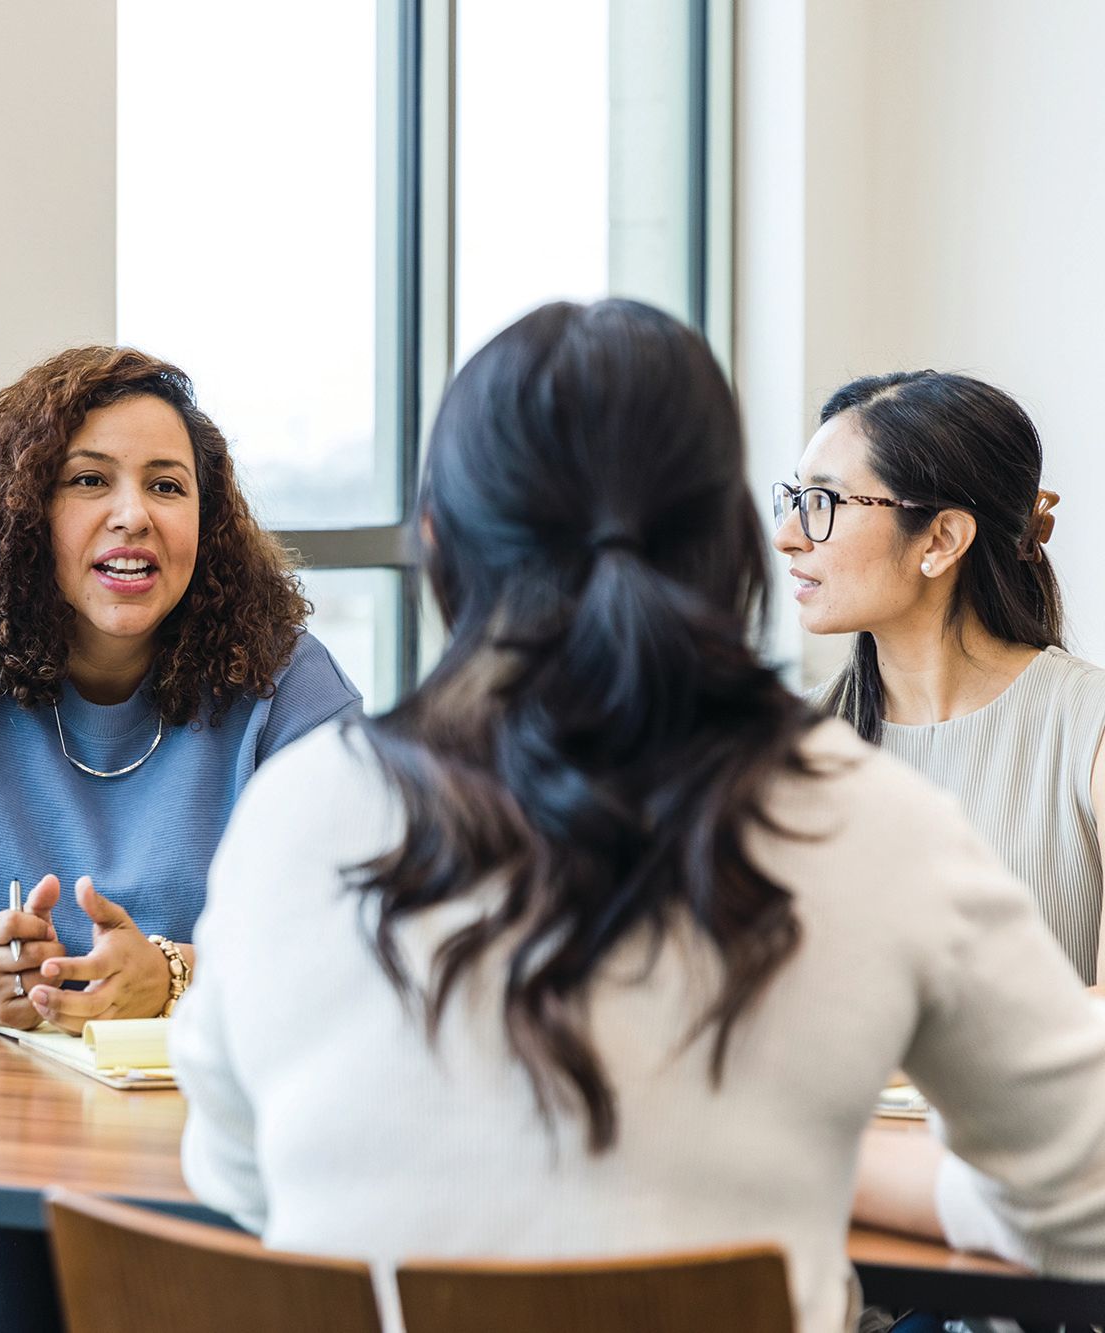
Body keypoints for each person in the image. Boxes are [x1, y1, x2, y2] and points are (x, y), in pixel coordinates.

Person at [170, 300, 1105, 1333]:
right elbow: (1088, 1200)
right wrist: (839, 1166)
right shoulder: (865, 818)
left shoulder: (296, 814)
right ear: (727, 543)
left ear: (437, 540)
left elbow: (234, 1175)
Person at [0, 344, 362, 1332]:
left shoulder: (287, 684)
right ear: (26, 513)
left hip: (221, 1136)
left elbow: (350, 938)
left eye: (166, 485)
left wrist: (173, 975)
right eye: (86, 481)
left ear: (207, 521)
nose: (132, 513)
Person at [780, 371, 1105, 985]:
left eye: (823, 502)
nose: (787, 536)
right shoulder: (785, 747)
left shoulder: (1091, 731)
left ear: (941, 538)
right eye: (794, 500)